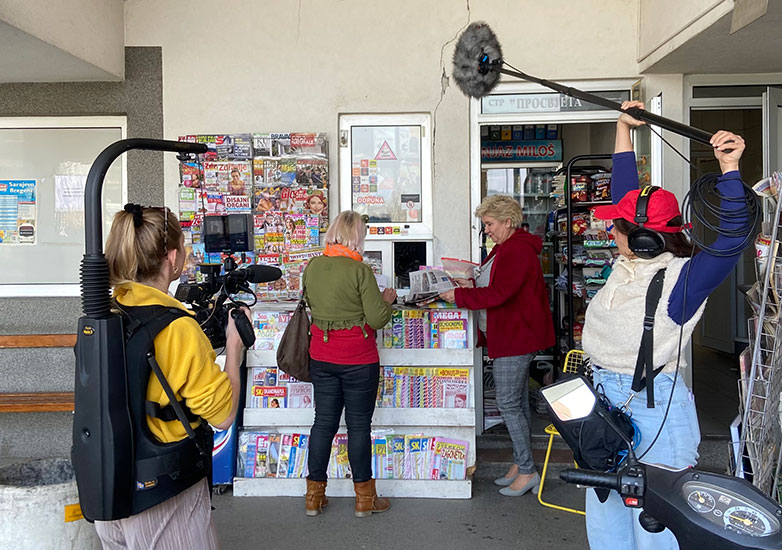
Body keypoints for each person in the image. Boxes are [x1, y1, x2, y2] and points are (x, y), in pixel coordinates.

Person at [581, 101, 750, 550]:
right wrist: (623, 131)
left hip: (653, 409)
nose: (608, 234)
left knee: (654, 531)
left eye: (616, 229)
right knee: (606, 522)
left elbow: (731, 241)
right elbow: (624, 193)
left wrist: (730, 168)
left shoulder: (681, 281)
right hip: (604, 404)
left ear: (642, 238)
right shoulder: (627, 262)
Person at [95, 204, 249, 550]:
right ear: (172, 257)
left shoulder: (108, 312)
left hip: (107, 481)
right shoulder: (178, 327)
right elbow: (223, 415)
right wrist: (234, 351)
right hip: (163, 488)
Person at [440, 195, 554, 496]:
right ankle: (521, 463)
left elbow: (501, 293)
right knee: (515, 402)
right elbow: (498, 288)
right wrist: (470, 287)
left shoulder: (515, 249)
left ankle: (528, 470)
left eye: (489, 224)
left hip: (516, 335)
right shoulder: (508, 247)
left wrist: (461, 297)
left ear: (507, 221)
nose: (486, 230)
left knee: (508, 403)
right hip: (515, 332)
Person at [301, 210, 397, 517]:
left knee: (323, 423)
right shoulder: (360, 271)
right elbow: (377, 318)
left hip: (322, 357)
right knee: (358, 427)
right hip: (358, 359)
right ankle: (364, 499)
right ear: (356, 236)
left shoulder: (313, 266)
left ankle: (314, 496)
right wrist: (387, 301)